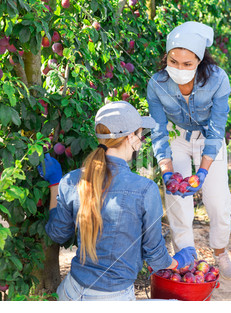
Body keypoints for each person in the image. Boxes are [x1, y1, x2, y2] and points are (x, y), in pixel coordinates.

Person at [38, 101, 197, 301]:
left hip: (70, 292)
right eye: (140, 133)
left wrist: (55, 184)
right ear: (130, 137)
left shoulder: (72, 180)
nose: (142, 139)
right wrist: (178, 261)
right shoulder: (144, 190)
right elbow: (156, 258)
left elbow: (57, 233)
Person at [146, 21, 231, 280]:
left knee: (218, 201)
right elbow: (159, 129)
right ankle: (186, 256)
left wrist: (204, 172)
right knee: (177, 202)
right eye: (173, 62)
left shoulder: (218, 79)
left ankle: (220, 251)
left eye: (187, 64)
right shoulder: (157, 83)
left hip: (208, 137)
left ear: (200, 60)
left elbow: (218, 128)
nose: (179, 69)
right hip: (177, 136)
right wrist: (167, 170)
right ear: (166, 58)